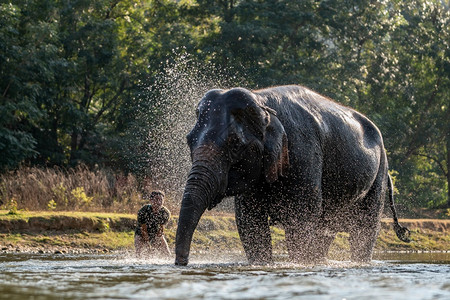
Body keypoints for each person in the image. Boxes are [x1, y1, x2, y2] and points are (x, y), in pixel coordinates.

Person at [134, 190, 171, 257]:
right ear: (151, 200)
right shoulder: (143, 211)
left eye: (161, 200)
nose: (159, 202)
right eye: (156, 199)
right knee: (140, 253)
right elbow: (143, 229)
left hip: (155, 232)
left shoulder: (165, 213)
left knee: (167, 254)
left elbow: (160, 230)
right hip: (141, 233)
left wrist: (156, 241)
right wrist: (148, 244)